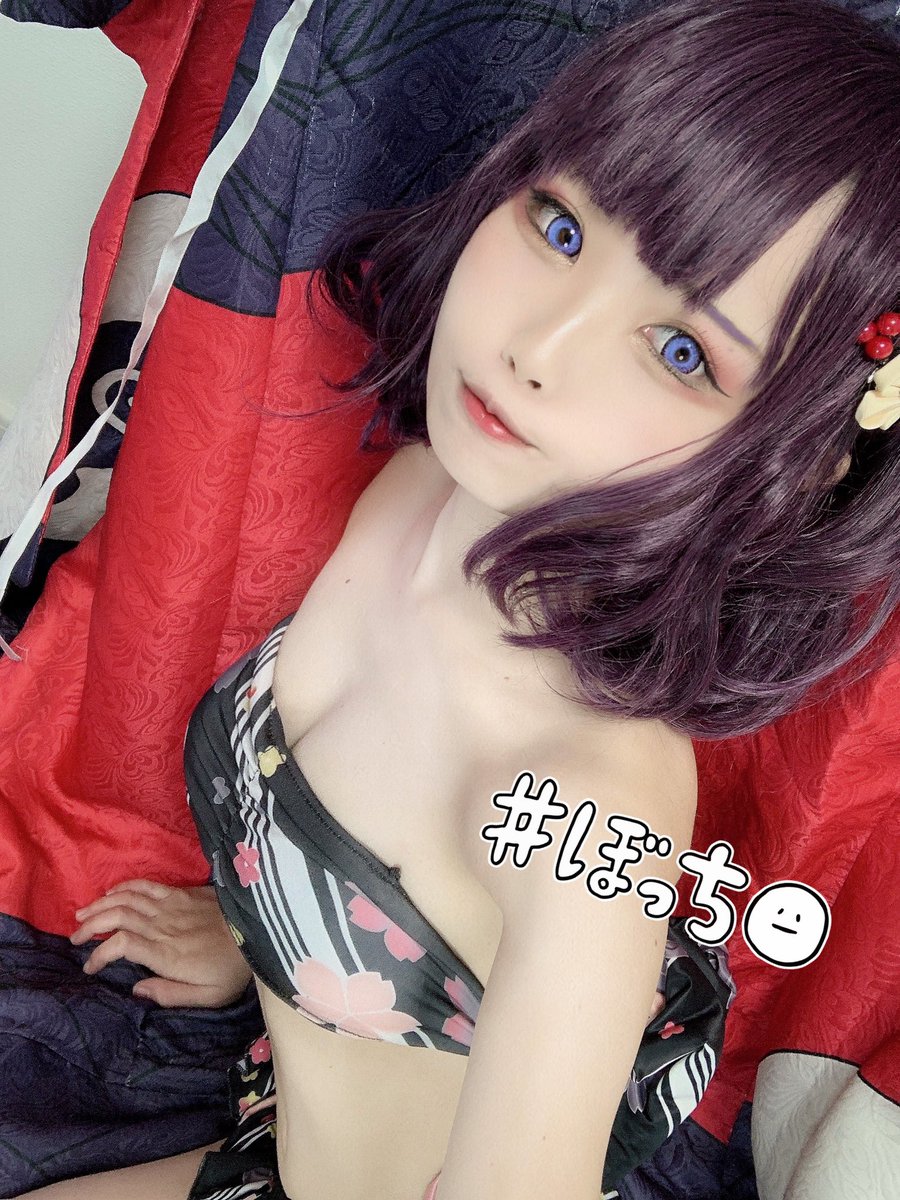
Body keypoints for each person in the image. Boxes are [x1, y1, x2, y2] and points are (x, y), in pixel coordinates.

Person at [19, 0, 900, 1196]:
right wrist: (267, 931)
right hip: (261, 1129)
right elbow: (340, 804)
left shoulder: (589, 819)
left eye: (682, 351)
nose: (539, 345)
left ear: (794, 458)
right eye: (561, 225)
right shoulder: (428, 487)